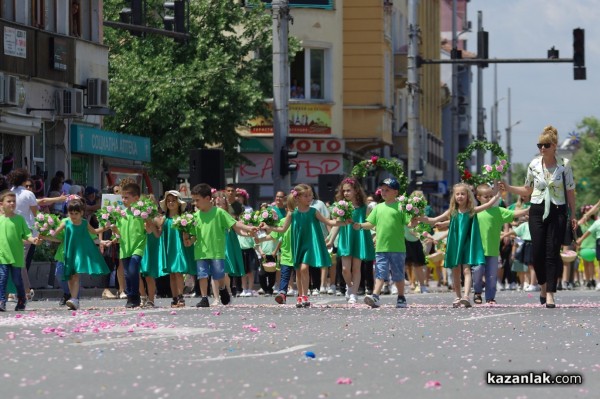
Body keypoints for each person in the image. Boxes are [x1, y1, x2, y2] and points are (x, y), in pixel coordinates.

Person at [500, 125, 577, 308]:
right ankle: (542, 285)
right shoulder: (534, 165)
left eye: (546, 145)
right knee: (537, 252)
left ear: (554, 146)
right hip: (537, 209)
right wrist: (509, 187)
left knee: (552, 252)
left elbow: (571, 192)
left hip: (557, 210)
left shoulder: (564, 165)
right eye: (539, 145)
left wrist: (572, 214)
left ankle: (550, 292)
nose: (542, 148)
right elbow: (527, 189)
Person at [262, 184, 348, 308]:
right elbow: (282, 229)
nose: (309, 198)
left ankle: (305, 295)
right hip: (298, 243)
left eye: (310, 195)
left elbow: (328, 221)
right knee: (298, 270)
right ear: (298, 198)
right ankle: (300, 295)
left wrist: (343, 221)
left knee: (303, 268)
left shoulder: (314, 211)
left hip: (310, 244)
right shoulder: (292, 213)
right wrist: (268, 227)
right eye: (306, 196)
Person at [419, 182, 501, 308]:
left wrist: (497, 193)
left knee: (467, 270)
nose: (460, 196)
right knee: (455, 271)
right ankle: (457, 296)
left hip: (467, 244)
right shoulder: (452, 211)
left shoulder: (471, 210)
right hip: (455, 243)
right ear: (454, 196)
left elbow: (488, 205)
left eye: (463, 194)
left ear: (468, 196)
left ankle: (466, 296)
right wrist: (418, 217)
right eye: (457, 194)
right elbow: (434, 220)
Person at [183, 184, 258, 308]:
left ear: (207, 198)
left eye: (197, 200)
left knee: (218, 274)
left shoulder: (219, 212)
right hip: (200, 251)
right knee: (202, 275)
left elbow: (235, 224)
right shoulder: (195, 216)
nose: (195, 203)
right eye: (194, 200)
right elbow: (194, 235)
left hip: (217, 251)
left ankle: (223, 288)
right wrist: (189, 241)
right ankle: (204, 298)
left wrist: (249, 228)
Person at [352, 178, 415, 309]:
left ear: (395, 192)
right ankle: (375, 295)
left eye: (387, 190)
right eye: (382, 190)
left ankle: (401, 296)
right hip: (381, 247)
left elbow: (408, 223)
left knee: (398, 275)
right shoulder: (378, 207)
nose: (383, 192)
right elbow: (371, 223)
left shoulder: (401, 207)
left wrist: (414, 220)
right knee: (380, 273)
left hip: (397, 248)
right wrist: (361, 225)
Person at [471, 184, 528, 305]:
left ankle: (490, 297)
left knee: (492, 276)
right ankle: (477, 291)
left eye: (491, 196)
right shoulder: (475, 212)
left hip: (492, 249)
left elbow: (514, 213)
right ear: (478, 197)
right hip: (478, 250)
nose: (490, 199)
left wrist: (528, 210)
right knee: (477, 270)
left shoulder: (498, 211)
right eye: (486, 196)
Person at [49, 199, 110, 310]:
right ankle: (73, 298)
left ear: (81, 213)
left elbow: (94, 232)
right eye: (71, 213)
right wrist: (47, 230)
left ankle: (74, 299)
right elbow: (55, 233)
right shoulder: (66, 222)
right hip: (68, 252)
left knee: (75, 275)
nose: (73, 216)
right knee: (69, 276)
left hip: (79, 253)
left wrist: (105, 227)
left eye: (76, 213)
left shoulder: (84, 223)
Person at [327, 178, 375, 304]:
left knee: (356, 268)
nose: (346, 193)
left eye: (349, 190)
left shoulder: (365, 207)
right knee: (345, 269)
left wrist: (371, 233)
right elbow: (337, 224)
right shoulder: (342, 207)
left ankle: (353, 293)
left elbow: (371, 223)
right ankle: (350, 286)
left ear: (356, 190)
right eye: (344, 191)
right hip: (346, 238)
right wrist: (331, 240)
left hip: (359, 237)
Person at [111, 183, 150, 308]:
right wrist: (114, 231)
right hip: (124, 247)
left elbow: (148, 229)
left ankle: (135, 295)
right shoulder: (121, 214)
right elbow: (119, 233)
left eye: (126, 198)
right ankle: (131, 297)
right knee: (127, 274)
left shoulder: (141, 213)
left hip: (138, 246)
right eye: (122, 197)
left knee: (133, 270)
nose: (123, 200)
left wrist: (147, 222)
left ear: (136, 198)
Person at [0, 190, 40, 311]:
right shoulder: (0, 220)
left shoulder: (20, 219)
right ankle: (2, 301)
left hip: (16, 255)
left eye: (14, 201)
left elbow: (26, 235)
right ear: (1, 204)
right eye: (9, 201)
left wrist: (33, 240)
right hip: (2, 255)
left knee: (17, 280)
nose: (12, 203)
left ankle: (22, 299)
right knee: (2, 278)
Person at [156, 190, 195, 308]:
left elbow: (188, 233)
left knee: (178, 272)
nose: (171, 203)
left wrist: (187, 237)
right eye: (168, 201)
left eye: (173, 201)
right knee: (172, 273)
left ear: (178, 203)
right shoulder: (165, 219)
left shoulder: (183, 218)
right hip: (169, 247)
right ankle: (174, 297)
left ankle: (180, 296)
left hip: (179, 248)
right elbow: (159, 233)